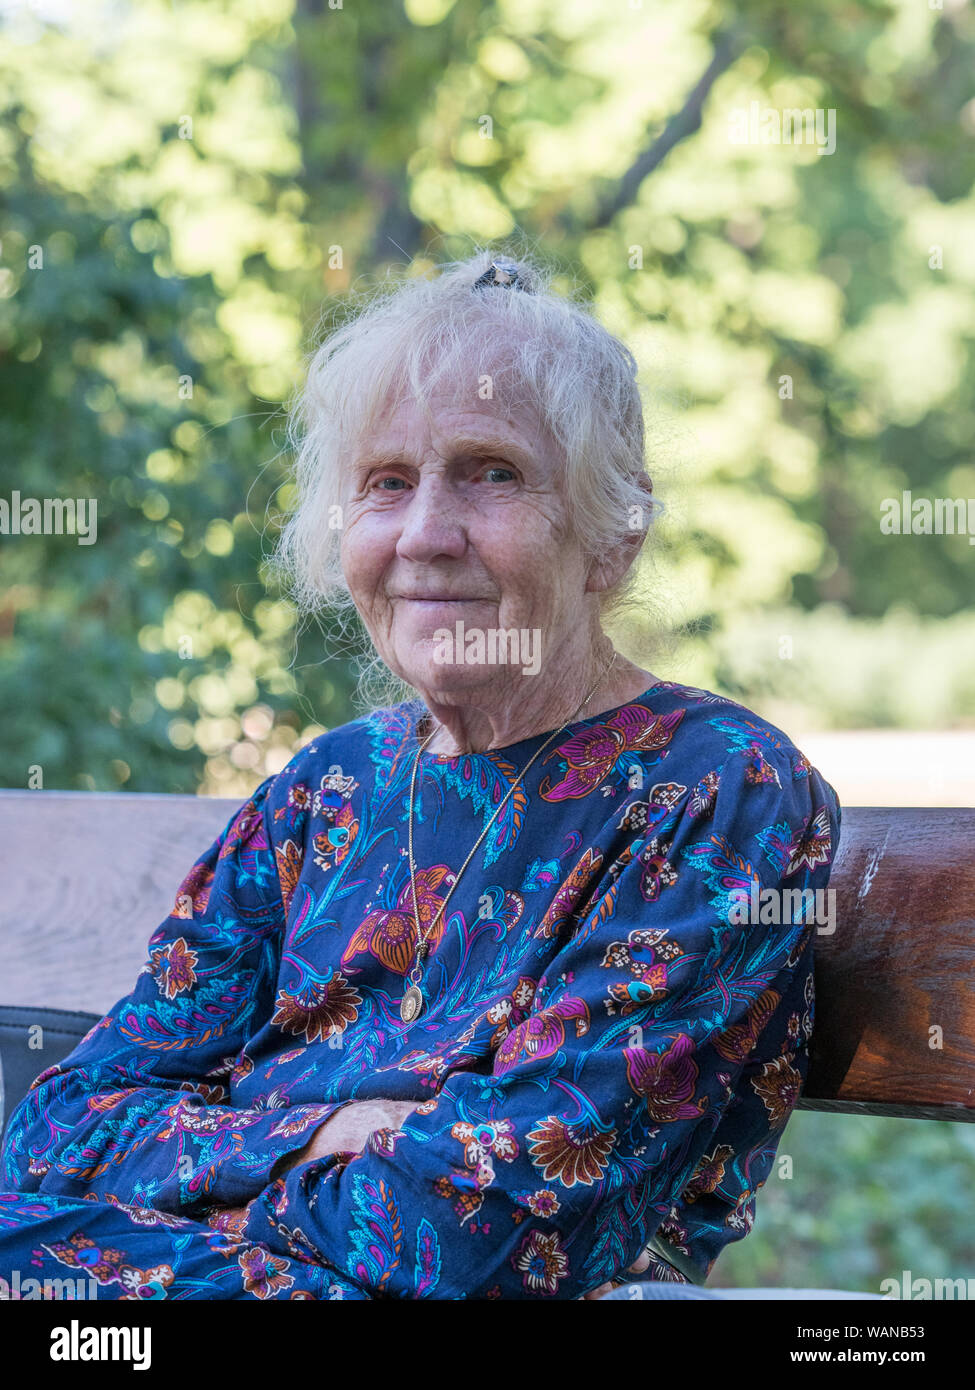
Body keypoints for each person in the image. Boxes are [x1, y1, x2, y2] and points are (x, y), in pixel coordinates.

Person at [0, 252, 840, 1300]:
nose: (426, 535)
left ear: (612, 535)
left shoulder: (717, 791)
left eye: (493, 473)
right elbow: (55, 1126)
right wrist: (321, 1134)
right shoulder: (325, 792)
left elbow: (478, 1233)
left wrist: (183, 1181)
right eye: (386, 483)